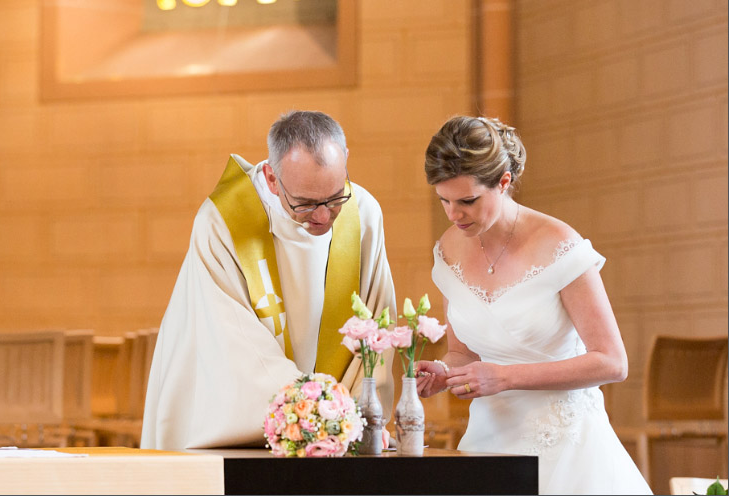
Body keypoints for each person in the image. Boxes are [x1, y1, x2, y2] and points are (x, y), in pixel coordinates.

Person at [415, 116, 651, 495]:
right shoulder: (449, 248)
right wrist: (445, 372)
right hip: (488, 443)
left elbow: (612, 361)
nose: (453, 214)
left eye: (467, 201)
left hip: (568, 449)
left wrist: (505, 378)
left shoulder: (558, 243)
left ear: (504, 182)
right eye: (443, 200)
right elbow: (462, 351)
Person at [141, 110, 396, 450]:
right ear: (272, 178)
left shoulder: (362, 212)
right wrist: (319, 416)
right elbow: (235, 342)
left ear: (346, 161)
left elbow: (376, 323)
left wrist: (351, 416)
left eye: (335, 198)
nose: (323, 216)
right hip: (241, 421)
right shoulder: (222, 222)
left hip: (339, 427)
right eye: (304, 204)